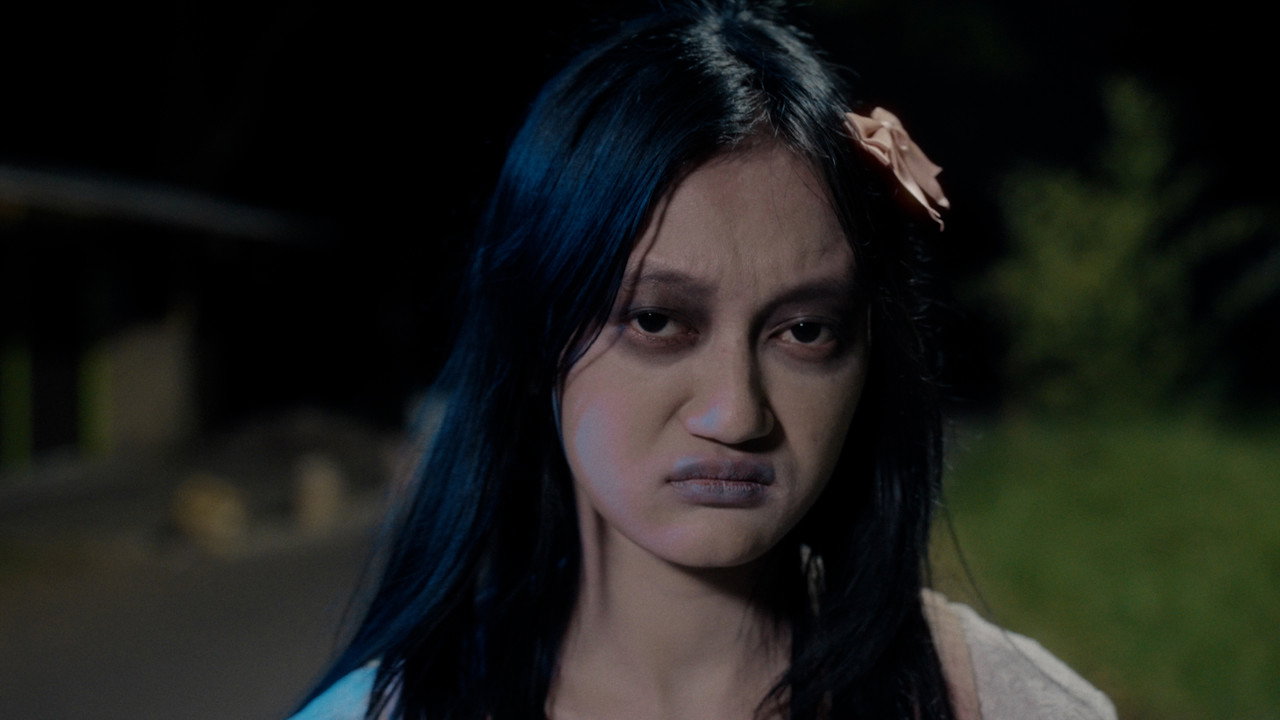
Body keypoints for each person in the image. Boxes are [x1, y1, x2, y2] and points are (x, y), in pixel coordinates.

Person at [289, 2, 1116, 718]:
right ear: (536, 333)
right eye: (656, 320)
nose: (737, 413)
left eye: (805, 331)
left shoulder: (1010, 704)